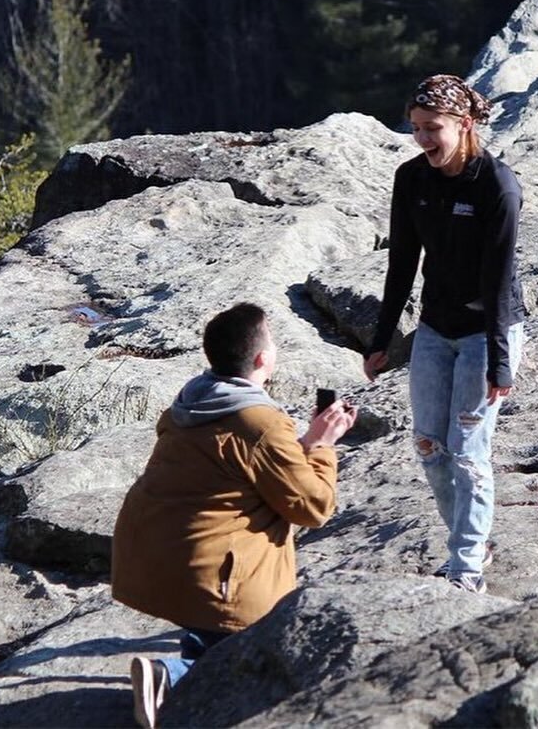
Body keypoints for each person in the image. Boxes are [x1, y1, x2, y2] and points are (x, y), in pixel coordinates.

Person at [112, 302, 356, 728]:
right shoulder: (260, 422)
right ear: (263, 359)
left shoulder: (192, 401)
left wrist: (304, 442)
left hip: (155, 553)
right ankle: (169, 678)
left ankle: (188, 659)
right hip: (210, 572)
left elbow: (241, 473)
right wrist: (322, 445)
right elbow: (313, 506)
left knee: (213, 633)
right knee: (252, 662)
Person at [364, 73, 525, 594]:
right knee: (430, 445)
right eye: (416, 128)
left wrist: (501, 361)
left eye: (433, 128)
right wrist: (381, 338)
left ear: (465, 123)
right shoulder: (411, 179)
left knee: (467, 449)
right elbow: (402, 264)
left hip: (486, 333)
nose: (423, 139)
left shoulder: (497, 185)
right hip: (435, 330)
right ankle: (474, 540)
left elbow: (500, 281)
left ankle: (466, 566)